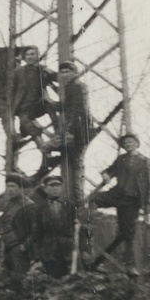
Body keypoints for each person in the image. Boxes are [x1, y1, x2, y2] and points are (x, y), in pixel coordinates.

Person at [88, 133, 150, 276]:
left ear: (137, 143)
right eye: (126, 143)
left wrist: (148, 204)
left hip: (132, 201)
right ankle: (89, 229)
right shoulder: (121, 159)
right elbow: (110, 170)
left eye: (131, 142)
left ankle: (130, 265)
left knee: (128, 233)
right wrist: (105, 174)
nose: (128, 144)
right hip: (116, 195)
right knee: (92, 199)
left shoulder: (144, 161)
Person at [57, 60, 92, 208]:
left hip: (79, 130)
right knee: (73, 163)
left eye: (68, 72)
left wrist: (70, 131)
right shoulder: (70, 87)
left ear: (75, 72)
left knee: (76, 164)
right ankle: (75, 198)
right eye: (63, 72)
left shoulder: (77, 86)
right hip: (76, 129)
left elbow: (77, 110)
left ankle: (78, 199)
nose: (65, 74)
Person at [11, 46, 59, 151]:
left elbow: (57, 77)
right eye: (27, 55)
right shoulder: (19, 72)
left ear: (37, 56)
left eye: (32, 54)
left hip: (39, 103)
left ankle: (59, 133)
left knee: (50, 106)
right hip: (24, 106)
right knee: (26, 122)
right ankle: (42, 145)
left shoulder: (42, 69)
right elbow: (12, 89)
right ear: (24, 57)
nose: (30, 57)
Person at [30, 173, 76, 278]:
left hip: (68, 252)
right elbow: (36, 235)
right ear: (45, 189)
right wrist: (37, 257)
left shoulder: (70, 206)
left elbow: (77, 228)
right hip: (49, 253)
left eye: (58, 185)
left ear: (62, 188)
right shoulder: (39, 209)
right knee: (53, 283)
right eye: (51, 186)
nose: (55, 188)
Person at [0, 172, 37, 274]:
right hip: (7, 248)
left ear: (21, 188)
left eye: (13, 186)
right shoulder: (8, 205)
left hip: (20, 250)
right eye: (8, 186)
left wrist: (25, 246)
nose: (10, 189)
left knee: (19, 278)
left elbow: (35, 231)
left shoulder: (29, 206)